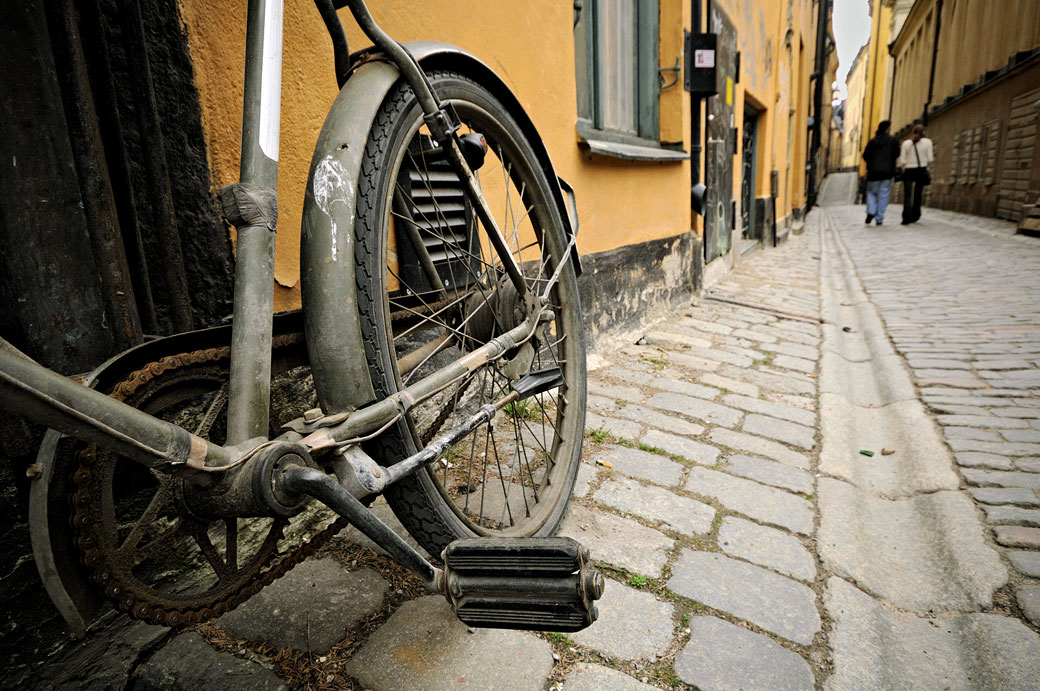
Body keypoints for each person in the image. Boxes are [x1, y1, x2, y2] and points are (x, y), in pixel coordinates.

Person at [861, 120, 901, 226]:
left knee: (871, 193)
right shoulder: (893, 141)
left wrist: (872, 162)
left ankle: (871, 211)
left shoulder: (872, 141)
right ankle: (879, 218)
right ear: (887, 129)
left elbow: (865, 156)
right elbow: (897, 154)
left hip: (873, 173)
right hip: (888, 172)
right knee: (884, 195)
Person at [898, 124, 934, 224]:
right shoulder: (928, 142)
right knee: (918, 193)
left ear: (913, 133)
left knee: (907, 195)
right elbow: (930, 158)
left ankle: (906, 217)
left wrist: (908, 162)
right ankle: (915, 214)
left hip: (909, 170)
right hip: (921, 170)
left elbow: (902, 160)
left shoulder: (906, 143)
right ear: (924, 133)